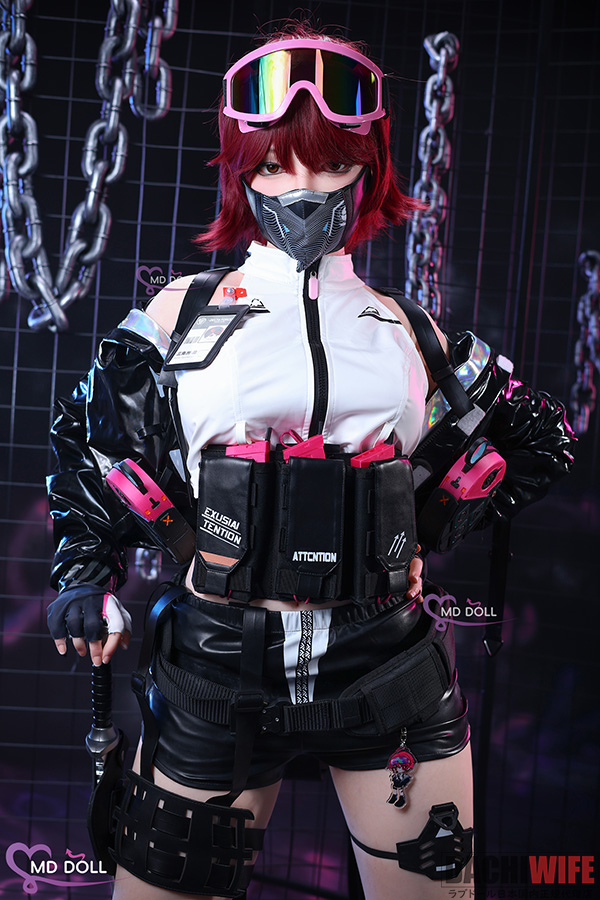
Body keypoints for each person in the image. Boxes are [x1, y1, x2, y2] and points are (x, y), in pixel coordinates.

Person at [46, 23, 575, 900]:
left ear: (367, 168)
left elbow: (539, 437)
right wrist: (82, 574)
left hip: (387, 671)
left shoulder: (409, 331)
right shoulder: (180, 317)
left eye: (330, 163)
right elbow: (90, 443)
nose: (304, 187)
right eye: (275, 164)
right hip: (216, 668)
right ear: (243, 172)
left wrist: (425, 522)